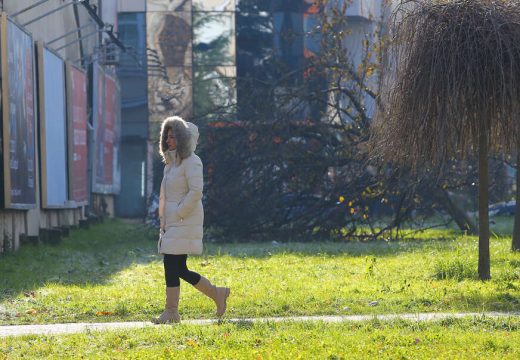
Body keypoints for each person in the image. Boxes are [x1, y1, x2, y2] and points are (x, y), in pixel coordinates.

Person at [153, 116, 230, 324]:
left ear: (183, 138)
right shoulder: (170, 164)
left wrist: (178, 213)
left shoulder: (192, 161)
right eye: (166, 137)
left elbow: (196, 191)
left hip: (184, 220)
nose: (168, 140)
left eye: (172, 137)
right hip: (172, 223)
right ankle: (176, 310)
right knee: (174, 266)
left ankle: (211, 295)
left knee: (174, 266)